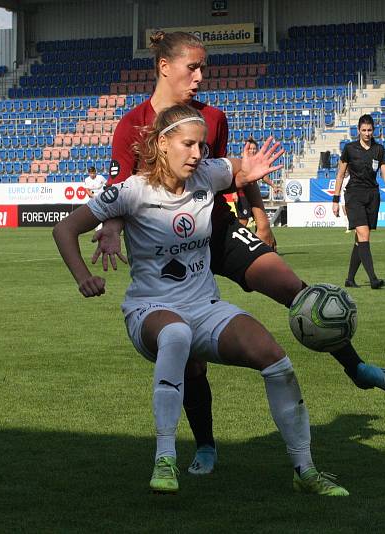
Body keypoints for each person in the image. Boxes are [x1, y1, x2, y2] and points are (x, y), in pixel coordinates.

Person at [95, 31, 385, 477]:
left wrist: (259, 216)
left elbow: (231, 173)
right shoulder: (132, 125)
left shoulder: (213, 119)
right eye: (193, 67)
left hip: (218, 230)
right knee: (189, 356)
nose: (201, 77)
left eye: (204, 68)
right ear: (164, 67)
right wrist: (110, 228)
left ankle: (355, 367)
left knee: (297, 291)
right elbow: (119, 190)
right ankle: (205, 445)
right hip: (165, 250)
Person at [53, 104, 349, 496]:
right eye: (188, 144)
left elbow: (238, 168)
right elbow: (65, 229)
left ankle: (305, 470)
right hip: (150, 309)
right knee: (175, 334)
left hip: (206, 307)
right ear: (162, 144)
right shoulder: (132, 191)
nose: (197, 154)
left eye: (202, 145)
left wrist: (249, 174)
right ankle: (165, 458)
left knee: (275, 359)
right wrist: (83, 277)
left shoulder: (206, 175)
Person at [332, 114, 385, 289]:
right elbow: (340, 175)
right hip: (354, 195)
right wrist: (335, 199)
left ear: (373, 130)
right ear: (358, 131)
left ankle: (350, 279)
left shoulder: (379, 149)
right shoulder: (349, 148)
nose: (367, 133)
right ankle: (373, 279)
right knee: (364, 235)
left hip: (372, 196)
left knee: (359, 239)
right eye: (364, 130)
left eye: (370, 130)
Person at [236, 138, 279, 228]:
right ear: (246, 150)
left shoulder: (258, 162)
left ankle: (258, 240)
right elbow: (235, 177)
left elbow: (264, 177)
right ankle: (236, 239)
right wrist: (234, 193)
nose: (252, 150)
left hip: (254, 195)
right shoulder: (242, 161)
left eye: (254, 148)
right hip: (243, 195)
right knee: (243, 221)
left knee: (260, 220)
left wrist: (273, 186)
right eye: (250, 148)